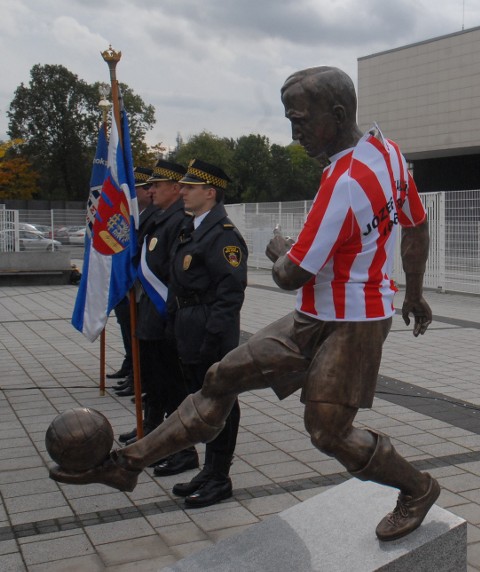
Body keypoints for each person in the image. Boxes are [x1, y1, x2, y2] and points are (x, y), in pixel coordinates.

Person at [50, 66, 439, 542]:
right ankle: (128, 465)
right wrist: (414, 291)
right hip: (316, 317)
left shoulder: (343, 183)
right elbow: (416, 222)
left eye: (300, 121)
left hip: (354, 324)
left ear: (337, 116)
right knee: (222, 376)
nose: (293, 133)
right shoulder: (389, 153)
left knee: (328, 431)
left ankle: (418, 489)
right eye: (289, 120)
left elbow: (290, 274)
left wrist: (280, 252)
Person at [167, 159, 247, 508]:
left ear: (209, 193)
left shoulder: (223, 236)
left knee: (221, 405)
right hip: (189, 327)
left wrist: (210, 338)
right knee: (203, 404)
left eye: (189, 187)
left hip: (209, 333)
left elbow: (229, 295)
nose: (181, 191)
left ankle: (219, 477)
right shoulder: (193, 229)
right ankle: (209, 470)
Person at [120, 160, 196, 481]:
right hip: (150, 315)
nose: (150, 190)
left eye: (157, 185)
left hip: (164, 318)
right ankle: (151, 433)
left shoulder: (179, 222)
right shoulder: (161, 218)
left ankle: (183, 450)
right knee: (155, 382)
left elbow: (174, 274)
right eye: (149, 185)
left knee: (173, 388)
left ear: (175, 188)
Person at [109, 166, 154, 387]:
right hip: (127, 284)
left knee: (140, 334)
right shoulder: (131, 216)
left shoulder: (153, 217)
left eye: (135, 189)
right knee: (128, 328)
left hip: (143, 289)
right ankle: (132, 368)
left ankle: (140, 375)